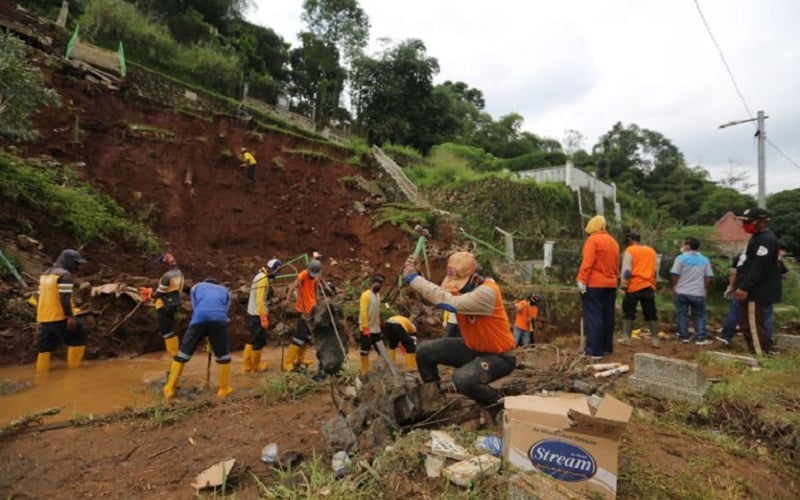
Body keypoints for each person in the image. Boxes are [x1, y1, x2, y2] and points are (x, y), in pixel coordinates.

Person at [402, 251, 516, 408]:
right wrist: (419, 276)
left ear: (474, 275)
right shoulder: (465, 288)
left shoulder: (487, 292)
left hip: (499, 356)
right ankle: (434, 397)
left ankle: (497, 402)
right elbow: (433, 300)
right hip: (472, 346)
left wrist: (414, 279)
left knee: (463, 379)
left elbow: (449, 302)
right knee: (425, 351)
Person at [163, 278, 233, 398]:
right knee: (223, 357)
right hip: (219, 321)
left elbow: (196, 307)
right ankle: (223, 390)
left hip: (199, 319)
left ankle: (170, 388)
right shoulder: (225, 290)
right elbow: (225, 311)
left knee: (183, 355)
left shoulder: (196, 287)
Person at [733, 207, 782, 354]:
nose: (745, 224)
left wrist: (745, 287)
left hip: (756, 291)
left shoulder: (766, 240)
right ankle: (757, 350)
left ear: (762, 222)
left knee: (753, 324)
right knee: (746, 323)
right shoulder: (757, 237)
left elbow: (758, 268)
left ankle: (761, 355)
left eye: (749, 221)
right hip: (752, 288)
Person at [35, 249, 88, 372]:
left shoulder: (46, 273)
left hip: (44, 317)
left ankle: (41, 373)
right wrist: (70, 317)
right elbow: (64, 298)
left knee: (45, 347)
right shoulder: (65, 275)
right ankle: (74, 372)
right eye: (76, 263)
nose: (77, 267)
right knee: (78, 338)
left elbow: (40, 296)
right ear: (68, 261)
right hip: (59, 316)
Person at [576, 215, 620, 359]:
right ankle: (607, 347)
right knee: (608, 316)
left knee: (594, 316)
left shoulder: (592, 240)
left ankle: (594, 351)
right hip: (611, 284)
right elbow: (616, 265)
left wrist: (581, 280)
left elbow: (587, 262)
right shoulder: (614, 242)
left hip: (594, 284)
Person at [619, 232, 660, 348]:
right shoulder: (651, 251)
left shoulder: (630, 251)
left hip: (634, 286)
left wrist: (623, 286)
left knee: (629, 312)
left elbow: (626, 272)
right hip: (648, 286)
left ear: (630, 240)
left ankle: (627, 338)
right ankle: (655, 339)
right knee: (651, 312)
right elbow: (655, 270)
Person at [670, 236, 714, 345]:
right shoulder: (704, 259)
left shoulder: (680, 258)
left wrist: (675, 286)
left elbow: (675, 273)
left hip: (682, 291)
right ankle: (700, 338)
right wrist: (705, 288)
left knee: (682, 314)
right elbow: (708, 276)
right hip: (698, 292)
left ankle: (683, 336)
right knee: (699, 315)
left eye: (683, 244)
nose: (682, 246)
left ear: (688, 246)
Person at [140, 253, 184, 357]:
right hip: (174, 305)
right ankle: (175, 358)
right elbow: (170, 290)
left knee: (167, 333)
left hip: (164, 306)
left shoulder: (167, 276)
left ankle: (174, 359)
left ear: (166, 264)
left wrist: (149, 292)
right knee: (170, 331)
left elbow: (159, 294)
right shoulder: (180, 274)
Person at [282, 259, 322, 371]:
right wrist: (287, 299)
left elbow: (315, 292)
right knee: (299, 336)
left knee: (306, 337)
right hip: (303, 311)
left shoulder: (315, 278)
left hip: (312, 311)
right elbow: (292, 286)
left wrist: (317, 305)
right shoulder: (303, 275)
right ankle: (288, 362)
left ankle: (300, 359)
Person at [310, 281, 354, 381]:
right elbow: (343, 322)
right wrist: (350, 336)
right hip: (335, 335)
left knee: (322, 353)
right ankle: (339, 373)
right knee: (339, 353)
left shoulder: (316, 306)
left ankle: (322, 373)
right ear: (333, 293)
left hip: (321, 336)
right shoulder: (336, 306)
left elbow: (311, 322)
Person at [243, 258, 282, 373]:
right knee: (258, 341)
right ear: (272, 270)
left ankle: (247, 366)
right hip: (257, 314)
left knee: (252, 340)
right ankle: (255, 367)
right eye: (277, 272)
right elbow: (260, 300)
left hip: (252, 313)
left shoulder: (260, 275)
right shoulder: (262, 280)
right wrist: (263, 318)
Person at [358, 274, 385, 375]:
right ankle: (365, 370)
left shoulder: (377, 296)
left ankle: (381, 369)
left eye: (380, 284)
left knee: (381, 350)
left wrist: (378, 325)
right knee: (365, 350)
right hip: (366, 328)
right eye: (377, 283)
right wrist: (365, 327)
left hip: (375, 328)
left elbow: (376, 312)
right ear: (373, 283)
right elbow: (363, 311)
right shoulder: (366, 295)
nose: (379, 286)